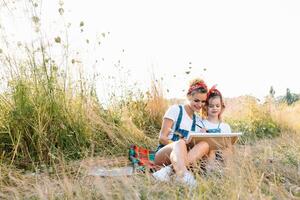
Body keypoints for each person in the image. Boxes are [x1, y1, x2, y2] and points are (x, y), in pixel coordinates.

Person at [153, 78, 210, 187]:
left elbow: (195, 147)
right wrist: (181, 145)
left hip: (182, 159)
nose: (200, 105)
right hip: (164, 154)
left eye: (203, 102)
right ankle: (184, 177)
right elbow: (162, 138)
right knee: (180, 143)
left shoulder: (198, 121)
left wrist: (202, 134)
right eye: (196, 100)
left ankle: (168, 171)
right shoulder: (175, 110)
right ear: (189, 96)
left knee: (205, 145)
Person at [197, 85, 234, 167]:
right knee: (212, 151)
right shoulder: (201, 124)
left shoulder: (225, 126)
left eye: (217, 106)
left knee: (228, 150)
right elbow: (196, 144)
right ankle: (211, 173)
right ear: (206, 107)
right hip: (207, 157)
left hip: (221, 154)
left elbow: (229, 144)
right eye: (211, 106)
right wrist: (201, 134)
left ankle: (228, 173)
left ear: (221, 107)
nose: (214, 108)